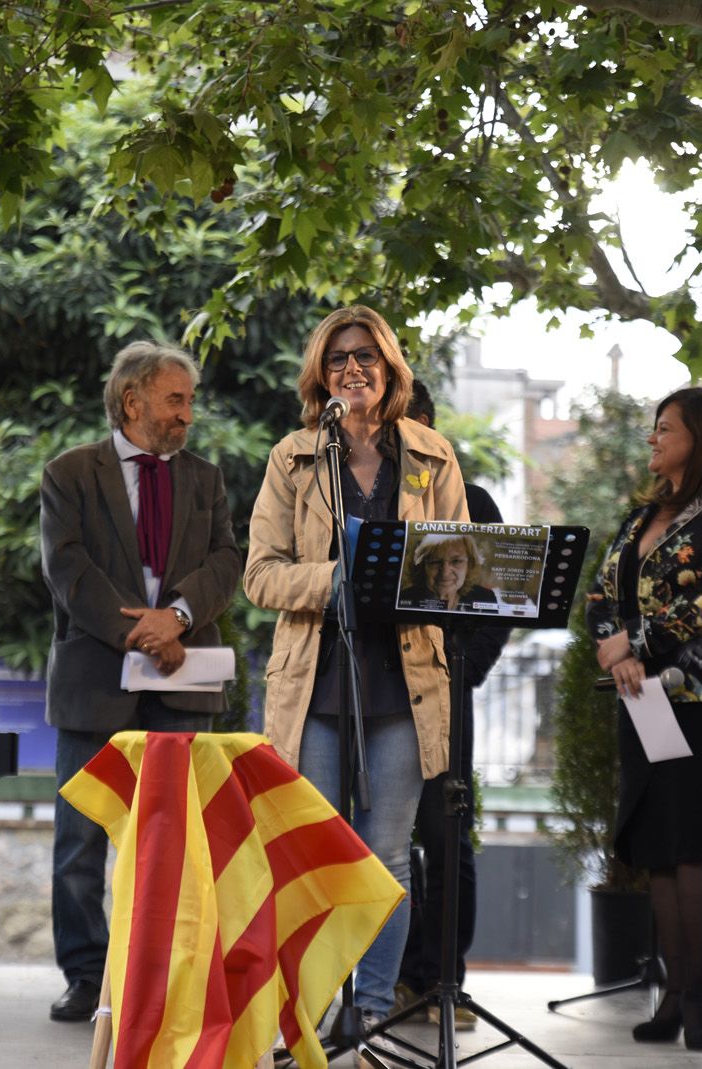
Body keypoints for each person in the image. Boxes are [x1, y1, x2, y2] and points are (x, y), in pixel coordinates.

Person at [244, 305, 468, 1040]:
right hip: (317, 680)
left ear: (390, 368)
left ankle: (370, 1007)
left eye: (367, 356)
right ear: (321, 372)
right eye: (339, 357)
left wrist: (438, 578)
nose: (353, 368)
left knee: (387, 853)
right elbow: (261, 576)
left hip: (404, 682)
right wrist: (334, 580)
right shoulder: (293, 457)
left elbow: (460, 563)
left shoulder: (432, 453)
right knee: (314, 850)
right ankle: (310, 1009)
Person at [40, 341, 241, 1023]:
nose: (189, 413)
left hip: (183, 683)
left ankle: (161, 974)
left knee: (175, 842)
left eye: (189, 400)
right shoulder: (70, 473)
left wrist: (178, 617)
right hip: (96, 679)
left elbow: (226, 560)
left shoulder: (206, 478)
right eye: (176, 399)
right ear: (133, 401)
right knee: (80, 841)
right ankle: (86, 976)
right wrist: (142, 631)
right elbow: (68, 571)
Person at [587, 386, 702, 1053]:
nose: (653, 438)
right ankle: (670, 988)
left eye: (666, 428)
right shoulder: (641, 515)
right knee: (661, 845)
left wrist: (635, 643)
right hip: (641, 695)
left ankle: (700, 999)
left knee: (700, 840)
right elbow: (601, 593)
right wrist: (617, 655)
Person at [394, 381, 509, 1031]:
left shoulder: (476, 502)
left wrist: (467, 671)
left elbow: (499, 605)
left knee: (445, 834)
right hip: (380, 692)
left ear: (428, 424)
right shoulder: (367, 489)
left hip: (445, 691)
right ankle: (389, 977)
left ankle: (443, 980)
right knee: (385, 838)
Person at [400, 532, 498, 613]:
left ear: (469, 565)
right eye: (435, 562)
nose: (445, 573)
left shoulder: (486, 598)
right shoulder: (403, 599)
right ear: (421, 567)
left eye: (456, 561)